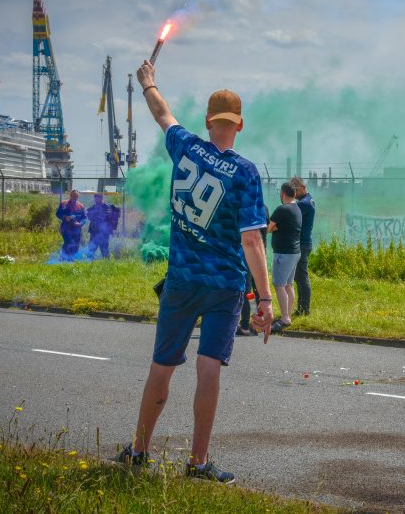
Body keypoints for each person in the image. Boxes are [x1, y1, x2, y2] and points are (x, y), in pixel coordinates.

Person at [112, 61, 274, 484]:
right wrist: (267, 299)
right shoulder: (245, 171)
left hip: (181, 281)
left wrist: (149, 82)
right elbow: (253, 241)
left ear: (207, 122)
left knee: (161, 368)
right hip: (224, 287)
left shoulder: (185, 146)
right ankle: (198, 462)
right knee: (208, 372)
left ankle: (140, 451)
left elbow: (161, 112)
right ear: (239, 124)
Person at [268, 182, 302, 333]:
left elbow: (268, 228)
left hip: (284, 253)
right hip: (295, 252)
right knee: (288, 285)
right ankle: (287, 315)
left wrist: (274, 228)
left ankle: (284, 318)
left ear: (282, 194)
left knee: (279, 285)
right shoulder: (297, 208)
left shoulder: (282, 209)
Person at [237, 203, 270, 337]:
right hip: (261, 253)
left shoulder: (245, 207)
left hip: (248, 254)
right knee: (258, 291)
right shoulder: (265, 207)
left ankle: (245, 325)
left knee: (248, 291)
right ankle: (258, 323)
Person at [290, 176, 316, 316]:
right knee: (299, 277)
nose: (294, 193)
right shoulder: (308, 200)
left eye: (295, 189)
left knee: (301, 278)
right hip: (305, 243)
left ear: (302, 188)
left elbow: (290, 215)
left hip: (302, 244)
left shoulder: (303, 204)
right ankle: (302, 307)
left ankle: (304, 309)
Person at [86, 193, 119, 259]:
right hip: (94, 231)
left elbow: (111, 217)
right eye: (95, 199)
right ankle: (89, 262)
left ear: (101, 199)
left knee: (104, 248)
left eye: (97, 199)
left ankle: (106, 262)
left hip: (104, 232)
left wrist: (109, 216)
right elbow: (89, 216)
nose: (96, 201)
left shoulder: (107, 208)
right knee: (92, 248)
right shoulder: (93, 207)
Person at [56, 190, 86, 259]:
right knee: (68, 243)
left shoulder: (81, 205)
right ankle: (63, 258)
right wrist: (65, 217)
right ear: (70, 195)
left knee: (76, 244)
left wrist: (80, 223)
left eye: (76, 196)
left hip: (77, 229)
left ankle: (72, 259)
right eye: (74, 196)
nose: (75, 197)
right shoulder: (64, 203)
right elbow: (58, 214)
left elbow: (84, 218)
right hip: (66, 228)